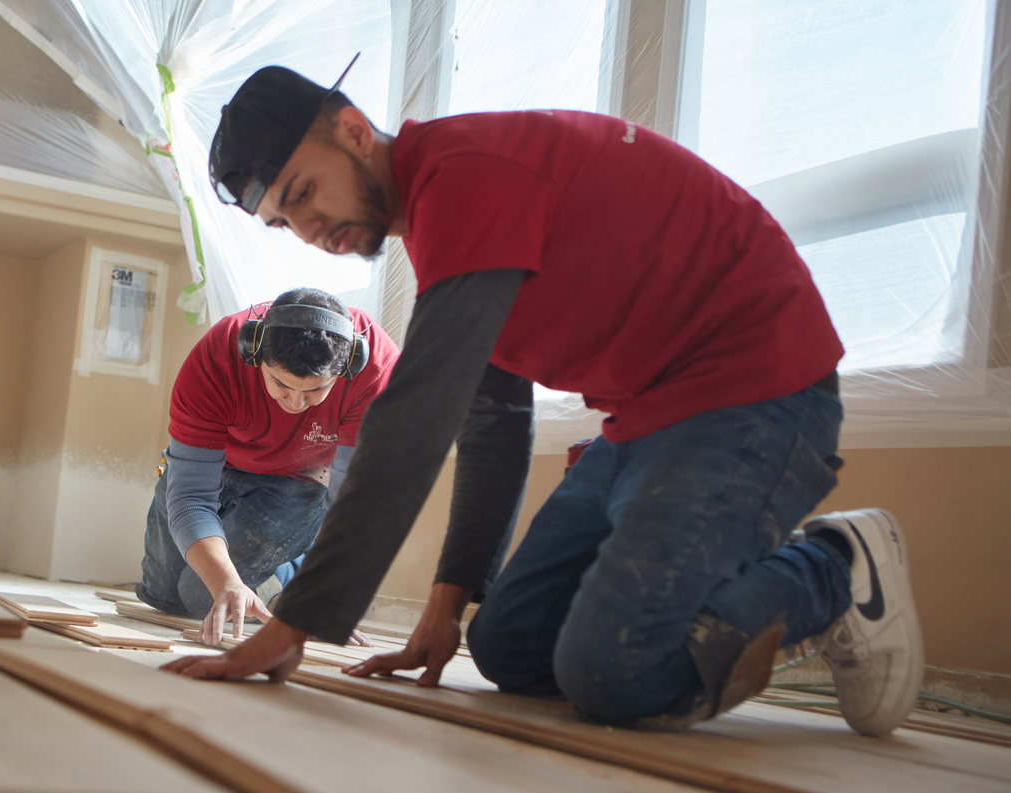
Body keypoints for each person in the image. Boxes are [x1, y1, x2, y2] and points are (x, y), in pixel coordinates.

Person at [163, 64, 926, 736]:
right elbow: (492, 419)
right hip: (646, 421)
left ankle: (835, 566)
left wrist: (296, 624)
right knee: (511, 645)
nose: (306, 228)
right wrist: (447, 604)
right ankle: (703, 597)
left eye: (303, 192)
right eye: (282, 221)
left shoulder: (467, 175)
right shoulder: (445, 224)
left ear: (355, 131)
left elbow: (415, 420)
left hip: (755, 397)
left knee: (613, 671)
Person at [136, 287, 400, 646]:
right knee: (163, 597)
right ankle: (251, 583)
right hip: (215, 463)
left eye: (315, 390)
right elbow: (192, 498)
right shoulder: (215, 358)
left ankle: (289, 579)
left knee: (199, 597)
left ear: (348, 366)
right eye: (280, 383)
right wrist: (227, 583)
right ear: (253, 351)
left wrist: (322, 596)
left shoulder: (377, 374)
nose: (294, 402)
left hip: (297, 480)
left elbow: (354, 506)